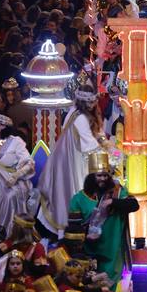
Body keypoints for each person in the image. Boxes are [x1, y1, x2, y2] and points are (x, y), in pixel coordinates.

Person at [37, 81, 106, 237]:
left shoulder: (75, 112)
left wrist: (102, 140)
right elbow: (90, 146)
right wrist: (108, 151)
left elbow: (95, 136)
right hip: (72, 162)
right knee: (72, 195)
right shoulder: (80, 117)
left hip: (71, 159)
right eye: (90, 102)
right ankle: (69, 235)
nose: (93, 105)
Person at [68, 151, 138, 286]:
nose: (103, 179)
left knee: (111, 291)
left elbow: (134, 205)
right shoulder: (78, 199)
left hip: (113, 253)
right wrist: (86, 235)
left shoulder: (117, 192)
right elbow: (73, 229)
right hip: (88, 254)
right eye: (99, 175)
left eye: (105, 175)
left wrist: (112, 202)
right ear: (91, 176)